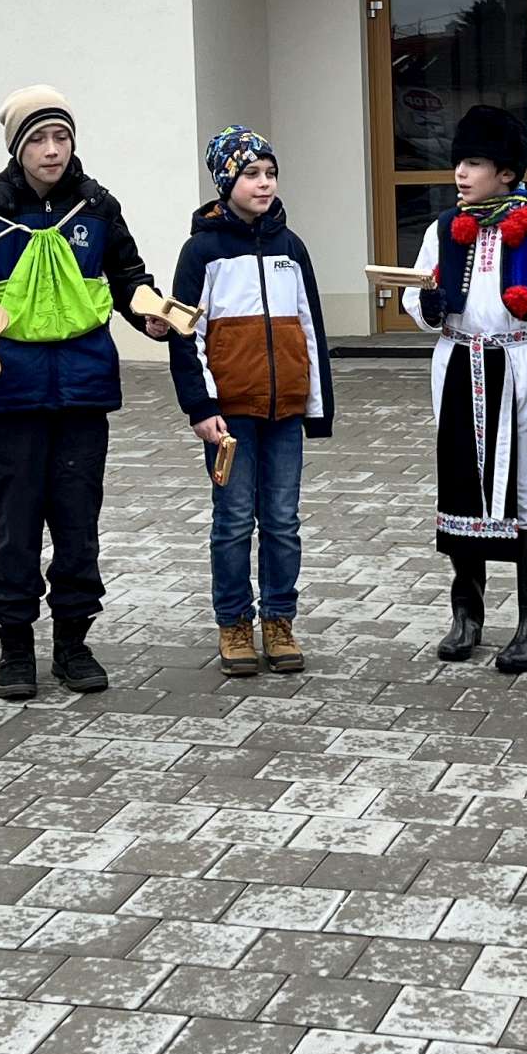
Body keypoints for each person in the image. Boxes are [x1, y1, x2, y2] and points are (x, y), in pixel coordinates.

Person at [0, 86, 168, 701]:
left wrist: (149, 314)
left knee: (77, 520)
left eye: (61, 136)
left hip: (84, 390)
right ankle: (14, 644)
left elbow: (128, 278)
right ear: (18, 147)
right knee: (15, 523)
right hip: (12, 391)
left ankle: (72, 642)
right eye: (38, 139)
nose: (52, 150)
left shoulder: (97, 206)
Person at [404, 104, 527, 673]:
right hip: (460, 363)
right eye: (459, 162)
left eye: (474, 162)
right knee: (459, 485)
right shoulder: (442, 229)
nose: (461, 173)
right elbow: (417, 292)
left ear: (505, 172)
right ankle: (466, 615)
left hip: (520, 365)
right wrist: (427, 306)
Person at [168, 126, 333, 676]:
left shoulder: (291, 248)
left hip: (284, 410)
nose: (264, 184)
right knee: (234, 521)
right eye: (251, 174)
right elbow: (184, 335)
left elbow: (309, 327)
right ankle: (234, 622)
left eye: (270, 173)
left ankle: (279, 620)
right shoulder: (202, 251)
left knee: (283, 521)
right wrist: (200, 407)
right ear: (225, 181)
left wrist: (317, 405)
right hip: (229, 414)